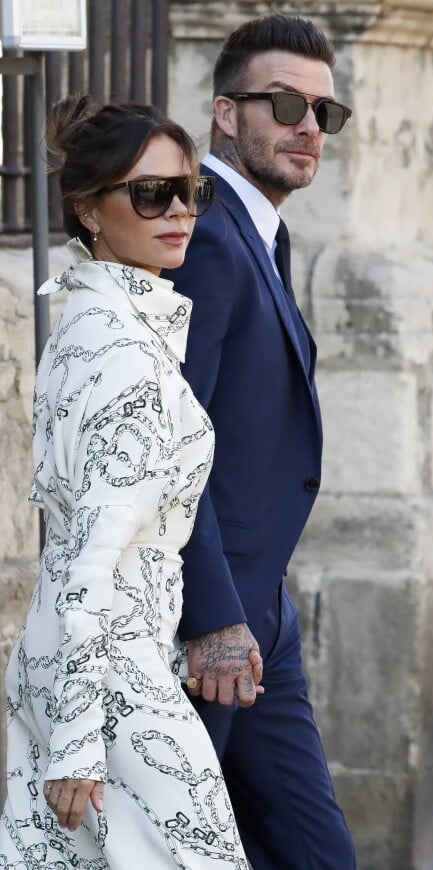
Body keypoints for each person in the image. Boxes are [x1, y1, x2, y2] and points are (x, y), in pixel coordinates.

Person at [0, 94, 250, 869]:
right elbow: (88, 560)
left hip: (76, 662)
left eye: (190, 191)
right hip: (108, 677)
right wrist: (77, 740)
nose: (179, 212)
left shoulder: (88, 321)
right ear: (89, 210)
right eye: (151, 194)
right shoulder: (127, 358)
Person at [168, 14, 356, 869]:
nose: (307, 127)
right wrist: (211, 619)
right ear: (224, 112)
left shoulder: (261, 234)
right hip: (209, 629)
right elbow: (176, 441)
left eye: (323, 112)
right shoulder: (206, 235)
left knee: (309, 851)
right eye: (283, 103)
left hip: (259, 619)